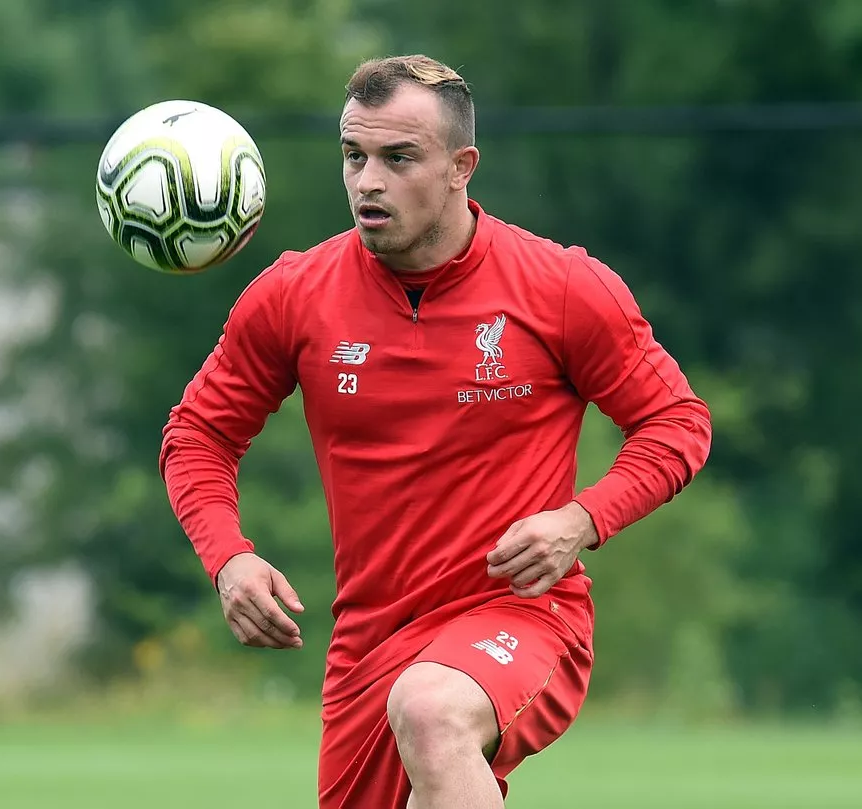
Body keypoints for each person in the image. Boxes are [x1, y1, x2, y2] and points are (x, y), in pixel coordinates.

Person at [159, 54, 712, 808]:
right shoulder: (294, 295)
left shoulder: (561, 288)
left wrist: (581, 520)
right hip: (368, 646)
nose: (367, 181)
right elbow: (198, 434)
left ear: (461, 167)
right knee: (416, 712)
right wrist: (229, 557)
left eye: (398, 158)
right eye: (353, 156)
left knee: (430, 710)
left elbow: (676, 421)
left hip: (523, 613)